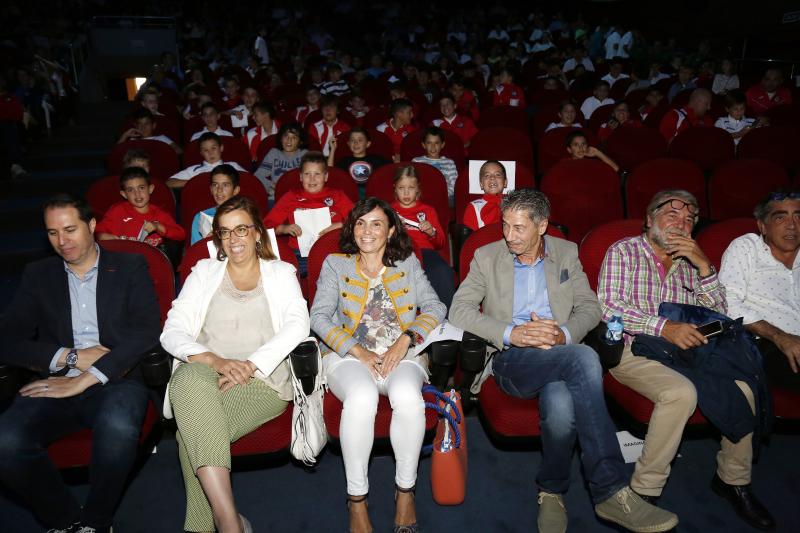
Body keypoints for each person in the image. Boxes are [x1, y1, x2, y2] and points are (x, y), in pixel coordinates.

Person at [449, 188, 678, 533]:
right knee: (584, 358)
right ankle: (611, 490)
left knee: (560, 402)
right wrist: (514, 333)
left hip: (561, 353)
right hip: (512, 360)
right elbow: (459, 310)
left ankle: (551, 491)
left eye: (519, 228)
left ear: (541, 226)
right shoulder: (487, 255)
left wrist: (562, 335)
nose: (509, 236)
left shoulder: (567, 252)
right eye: (505, 226)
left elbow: (590, 308)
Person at [597, 190, 775, 531]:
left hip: (689, 353)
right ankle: (643, 494)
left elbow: (721, 315)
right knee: (681, 393)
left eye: (689, 219)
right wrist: (665, 327)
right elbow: (609, 307)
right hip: (634, 350)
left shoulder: (692, 264)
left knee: (745, 388)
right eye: (672, 215)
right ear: (649, 220)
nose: (682, 223)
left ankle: (733, 481)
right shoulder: (625, 251)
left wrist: (705, 266)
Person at [0, 194, 160, 533]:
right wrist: (69, 358)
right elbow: (8, 339)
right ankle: (65, 520)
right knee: (5, 440)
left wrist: (88, 376)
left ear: (91, 226)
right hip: (56, 379)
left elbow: (147, 331)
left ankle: (97, 521)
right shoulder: (38, 274)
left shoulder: (129, 266)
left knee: (118, 428)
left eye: (70, 229)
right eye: (52, 233)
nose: (62, 241)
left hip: (118, 377)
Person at [161, 195, 310, 533]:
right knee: (186, 380)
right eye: (225, 232)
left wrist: (250, 365)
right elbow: (172, 331)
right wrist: (215, 361)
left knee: (191, 435)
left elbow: (297, 325)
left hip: (263, 379)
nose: (234, 239)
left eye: (241, 229)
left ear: (257, 232)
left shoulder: (281, 272)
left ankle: (213, 524)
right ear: (218, 239)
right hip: (206, 373)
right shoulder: (204, 271)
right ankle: (231, 523)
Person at [309, 197, 447, 533]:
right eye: (359, 222)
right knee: (362, 397)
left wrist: (406, 340)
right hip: (348, 357)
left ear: (390, 230)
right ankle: (356, 499)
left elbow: (435, 306)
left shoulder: (408, 263)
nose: (366, 231)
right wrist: (358, 351)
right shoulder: (335, 264)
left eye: (376, 224)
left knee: (408, 398)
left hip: (402, 355)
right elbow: (318, 317)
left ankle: (405, 491)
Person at [720, 189, 800, 392]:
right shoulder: (747, 248)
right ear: (762, 226)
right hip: (767, 343)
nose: (792, 225)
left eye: (798, 216)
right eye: (780, 217)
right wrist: (779, 336)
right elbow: (726, 304)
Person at [263, 151, 354, 274]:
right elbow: (266, 225)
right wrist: (284, 229)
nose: (312, 179)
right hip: (300, 252)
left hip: (333, 250)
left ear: (326, 176)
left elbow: (358, 220)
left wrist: (340, 226)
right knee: (286, 273)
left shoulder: (337, 195)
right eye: (307, 174)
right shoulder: (291, 196)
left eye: (317, 174)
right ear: (300, 177)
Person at [391, 165, 455, 307]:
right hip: (399, 251)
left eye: (411, 188)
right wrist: (394, 229)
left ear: (418, 189)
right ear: (395, 188)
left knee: (443, 271)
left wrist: (431, 232)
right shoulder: (389, 210)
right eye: (401, 188)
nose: (406, 193)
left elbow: (441, 243)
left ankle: (448, 317)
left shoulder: (428, 210)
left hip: (425, 252)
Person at [96, 166, 185, 247]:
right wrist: (102, 236)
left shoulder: (161, 214)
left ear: (150, 189)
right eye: (130, 190)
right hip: (121, 258)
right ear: (124, 194)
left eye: (141, 188)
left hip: (150, 261)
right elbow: (97, 232)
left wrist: (158, 227)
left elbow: (181, 235)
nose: (137, 194)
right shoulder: (117, 211)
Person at [166, 133, 246, 189]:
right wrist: (198, 181)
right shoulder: (194, 170)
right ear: (201, 153)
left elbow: (249, 181)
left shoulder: (233, 166)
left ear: (221, 148)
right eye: (206, 150)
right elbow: (169, 182)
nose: (210, 153)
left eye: (213, 148)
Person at [190, 164, 242, 245]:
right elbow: (196, 252)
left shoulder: (245, 214)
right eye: (215, 185)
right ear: (211, 189)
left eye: (225, 185)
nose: (219, 190)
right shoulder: (201, 218)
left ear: (236, 190)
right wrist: (206, 243)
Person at [254, 122, 308, 198]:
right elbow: (258, 175)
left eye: (294, 137)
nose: (289, 140)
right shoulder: (274, 153)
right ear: (281, 138)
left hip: (299, 196)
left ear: (300, 142)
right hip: (276, 197)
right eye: (286, 136)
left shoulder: (304, 155)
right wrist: (272, 185)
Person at [411, 126, 459, 201]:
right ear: (424, 145)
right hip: (423, 197)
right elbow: (412, 183)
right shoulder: (416, 161)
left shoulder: (449, 163)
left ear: (442, 145)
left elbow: (454, 185)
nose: (433, 147)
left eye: (436, 143)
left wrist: (440, 194)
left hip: (445, 197)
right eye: (429, 143)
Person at [463, 160, 507, 231]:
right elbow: (471, 238)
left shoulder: (514, 203)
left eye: (497, 174)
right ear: (481, 184)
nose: (492, 177)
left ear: (505, 182)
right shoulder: (474, 207)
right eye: (487, 175)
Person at [117, 108, 182, 154]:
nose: (143, 127)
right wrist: (125, 135)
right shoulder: (133, 140)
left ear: (153, 126)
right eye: (140, 124)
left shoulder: (161, 138)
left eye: (147, 124)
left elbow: (179, 151)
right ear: (136, 126)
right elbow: (116, 153)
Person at [376, 98, 417, 162]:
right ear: (399, 114)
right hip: (386, 163)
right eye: (409, 112)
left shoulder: (412, 130)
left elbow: (413, 152)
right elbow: (379, 151)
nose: (412, 115)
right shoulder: (381, 129)